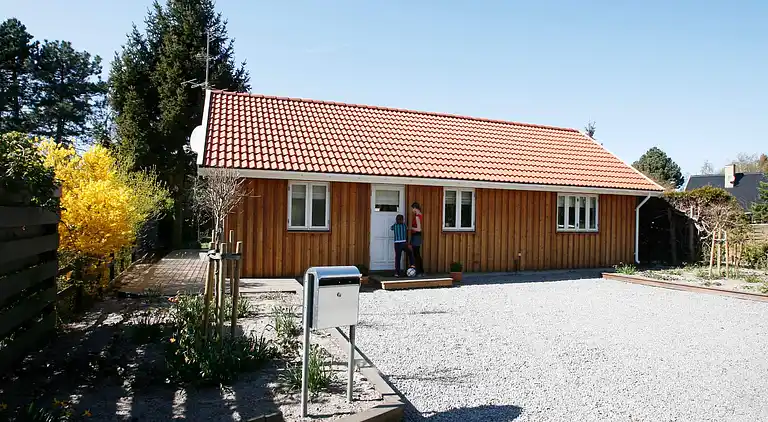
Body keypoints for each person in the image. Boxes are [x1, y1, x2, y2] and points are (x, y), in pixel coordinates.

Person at [410, 202, 424, 276]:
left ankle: (419, 271)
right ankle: (420, 271)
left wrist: (410, 228)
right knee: (417, 254)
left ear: (415, 208)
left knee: (416, 254)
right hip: (417, 236)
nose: (412, 210)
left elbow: (419, 229)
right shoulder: (419, 215)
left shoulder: (417, 217)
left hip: (416, 235)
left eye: (413, 208)